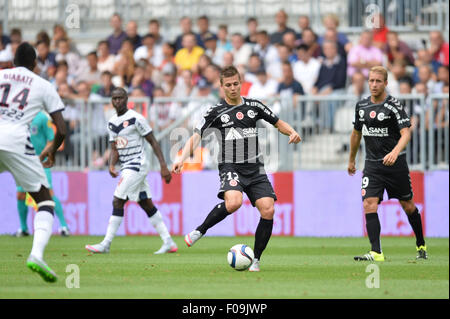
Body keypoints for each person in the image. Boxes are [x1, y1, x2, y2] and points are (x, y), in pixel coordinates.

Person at [172, 66, 301, 272]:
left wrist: (292, 131)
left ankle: (256, 260)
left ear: (240, 83)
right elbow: (196, 136)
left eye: (236, 84)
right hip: (230, 165)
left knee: (268, 209)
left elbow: (278, 122)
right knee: (233, 203)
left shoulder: (254, 106)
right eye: (228, 85)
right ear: (222, 87)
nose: (233, 88)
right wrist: (182, 157)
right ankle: (199, 231)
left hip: (255, 167)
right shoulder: (215, 112)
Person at [0, 42, 67, 282]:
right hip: (17, 142)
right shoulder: (43, 84)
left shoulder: (2, 75)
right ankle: (36, 255)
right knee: (44, 201)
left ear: (13, 62)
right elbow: (61, 127)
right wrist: (53, 151)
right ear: (35, 64)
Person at [348, 66, 427, 261]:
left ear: (385, 83)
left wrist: (394, 152)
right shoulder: (361, 106)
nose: (374, 85)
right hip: (372, 166)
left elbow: (406, 133)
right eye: (371, 81)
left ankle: (421, 244)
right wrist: (351, 159)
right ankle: (376, 252)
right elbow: (356, 133)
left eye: (378, 81)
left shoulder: (394, 105)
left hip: (395, 165)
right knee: (369, 203)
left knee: (408, 205)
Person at [85, 88, 177, 255]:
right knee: (145, 203)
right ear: (111, 101)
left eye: (120, 98)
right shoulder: (111, 122)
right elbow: (114, 147)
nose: (117, 101)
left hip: (137, 164)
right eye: (114, 99)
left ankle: (106, 244)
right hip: (126, 166)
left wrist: (163, 166)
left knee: (117, 201)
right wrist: (112, 165)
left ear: (126, 99)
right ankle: (169, 242)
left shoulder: (136, 118)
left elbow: (153, 142)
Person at [14, 111, 70, 237]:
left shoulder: (42, 118)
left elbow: (51, 139)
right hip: (23, 162)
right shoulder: (20, 116)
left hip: (41, 163)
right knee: (20, 194)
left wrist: (43, 155)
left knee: (48, 193)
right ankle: (23, 228)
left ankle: (64, 226)